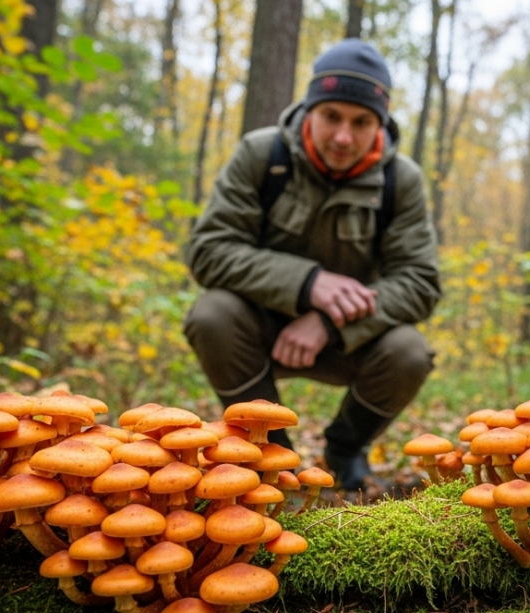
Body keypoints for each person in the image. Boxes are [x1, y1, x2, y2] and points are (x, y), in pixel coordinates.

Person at [183, 39, 441, 493]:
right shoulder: (263, 156)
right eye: (332, 116)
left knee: (409, 351)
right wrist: (307, 283)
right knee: (211, 314)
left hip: (348, 337)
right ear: (309, 109)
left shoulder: (400, 181)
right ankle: (270, 457)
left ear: (379, 122)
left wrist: (326, 320)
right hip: (257, 328)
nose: (344, 136)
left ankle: (345, 452)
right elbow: (208, 250)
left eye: (361, 122)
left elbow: (420, 283)